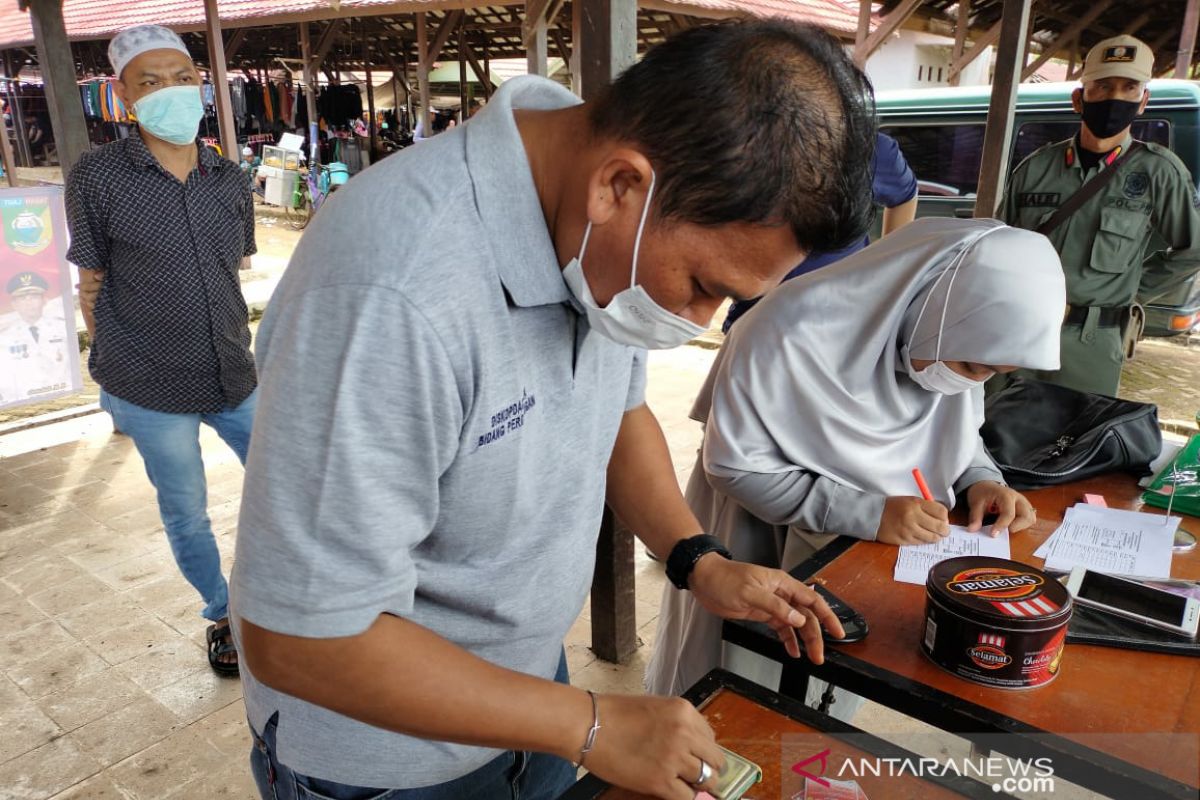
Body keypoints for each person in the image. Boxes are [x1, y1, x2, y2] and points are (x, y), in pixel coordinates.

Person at [230, 20, 875, 800]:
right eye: (706, 284)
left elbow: (616, 411)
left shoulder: (597, 220)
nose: (701, 320)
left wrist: (695, 559)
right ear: (619, 186)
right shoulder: (390, 290)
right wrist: (591, 725)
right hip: (387, 764)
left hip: (532, 696)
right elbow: (301, 637)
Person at [645, 218, 1066, 705]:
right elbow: (737, 468)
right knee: (738, 688)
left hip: (874, 552)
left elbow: (956, 431)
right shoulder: (786, 332)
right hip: (762, 534)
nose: (972, 382)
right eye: (973, 367)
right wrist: (870, 512)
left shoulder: (943, 341)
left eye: (992, 373)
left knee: (833, 690)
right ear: (927, 303)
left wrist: (981, 479)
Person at [64, 24, 258, 677]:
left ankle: (289, 595)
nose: (171, 92)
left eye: (181, 77)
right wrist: (113, 360)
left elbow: (237, 268)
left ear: (200, 83)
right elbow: (89, 281)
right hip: (148, 382)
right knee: (185, 508)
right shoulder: (97, 176)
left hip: (235, 369)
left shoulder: (229, 177)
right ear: (123, 93)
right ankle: (223, 613)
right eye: (150, 81)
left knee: (291, 480)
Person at [1000, 34, 1200, 396]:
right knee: (992, 433)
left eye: (1129, 88)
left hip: (1090, 342)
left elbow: (1193, 248)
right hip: (1017, 329)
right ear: (1079, 97)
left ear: (1143, 101)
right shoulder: (1037, 167)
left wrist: (1128, 290)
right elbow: (1001, 246)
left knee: (1072, 444)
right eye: (1103, 86)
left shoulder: (1158, 172)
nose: (1116, 98)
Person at [722, 130, 918, 332]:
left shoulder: (871, 150)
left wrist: (890, 265)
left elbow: (905, 195)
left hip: (841, 323)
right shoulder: (745, 140)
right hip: (759, 321)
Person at [0, 271, 70, 399]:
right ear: (14, 305)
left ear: (44, 300)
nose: (28, 302)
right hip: (23, 400)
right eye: (22, 298)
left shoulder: (63, 329)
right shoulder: (4, 339)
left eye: (34, 297)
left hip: (63, 396)